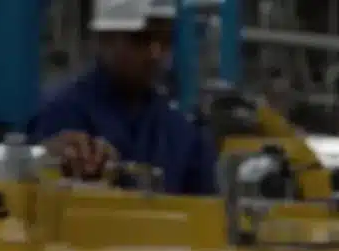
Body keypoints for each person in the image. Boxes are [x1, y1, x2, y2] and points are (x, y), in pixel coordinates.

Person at [25, 0, 218, 195]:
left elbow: (207, 212)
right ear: (104, 39)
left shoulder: (181, 133)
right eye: (141, 39)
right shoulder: (61, 115)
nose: (155, 54)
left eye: (165, 41)